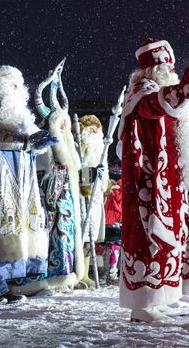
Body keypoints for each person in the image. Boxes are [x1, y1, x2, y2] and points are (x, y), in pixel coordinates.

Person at [118, 38, 189, 322]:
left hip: (171, 178)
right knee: (150, 238)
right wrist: (182, 91)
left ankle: (163, 296)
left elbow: (176, 124)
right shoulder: (142, 91)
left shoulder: (161, 90)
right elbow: (153, 107)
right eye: (166, 66)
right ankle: (142, 305)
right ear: (153, 68)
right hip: (150, 182)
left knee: (174, 238)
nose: (170, 69)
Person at [0, 65, 56, 306]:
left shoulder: (16, 111)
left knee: (11, 231)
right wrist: (17, 135)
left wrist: (38, 140)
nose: (19, 90)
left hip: (19, 180)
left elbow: (29, 139)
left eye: (19, 85)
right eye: (13, 85)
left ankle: (1, 285)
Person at [12, 64, 85, 295]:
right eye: (60, 123)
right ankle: (47, 277)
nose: (64, 126)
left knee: (65, 237)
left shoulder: (68, 146)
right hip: (49, 204)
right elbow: (43, 173)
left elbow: (72, 170)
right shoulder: (49, 144)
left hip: (64, 203)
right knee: (52, 239)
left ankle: (64, 274)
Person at [75, 114, 109, 287]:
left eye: (97, 128)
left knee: (91, 236)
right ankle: (78, 273)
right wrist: (91, 174)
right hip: (83, 195)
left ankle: (86, 272)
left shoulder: (100, 147)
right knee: (82, 235)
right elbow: (76, 168)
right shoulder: (79, 146)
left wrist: (105, 183)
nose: (95, 131)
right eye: (91, 128)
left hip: (96, 196)